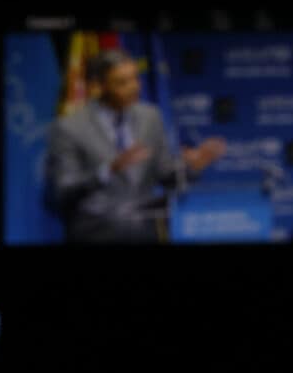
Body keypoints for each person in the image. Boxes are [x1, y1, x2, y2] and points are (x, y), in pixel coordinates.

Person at [45, 48, 227, 243]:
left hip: (145, 231)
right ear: (99, 86)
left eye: (135, 79)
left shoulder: (150, 117)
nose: (134, 87)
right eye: (122, 82)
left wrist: (191, 166)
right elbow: (63, 190)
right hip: (94, 232)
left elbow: (164, 173)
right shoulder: (70, 128)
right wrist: (107, 170)